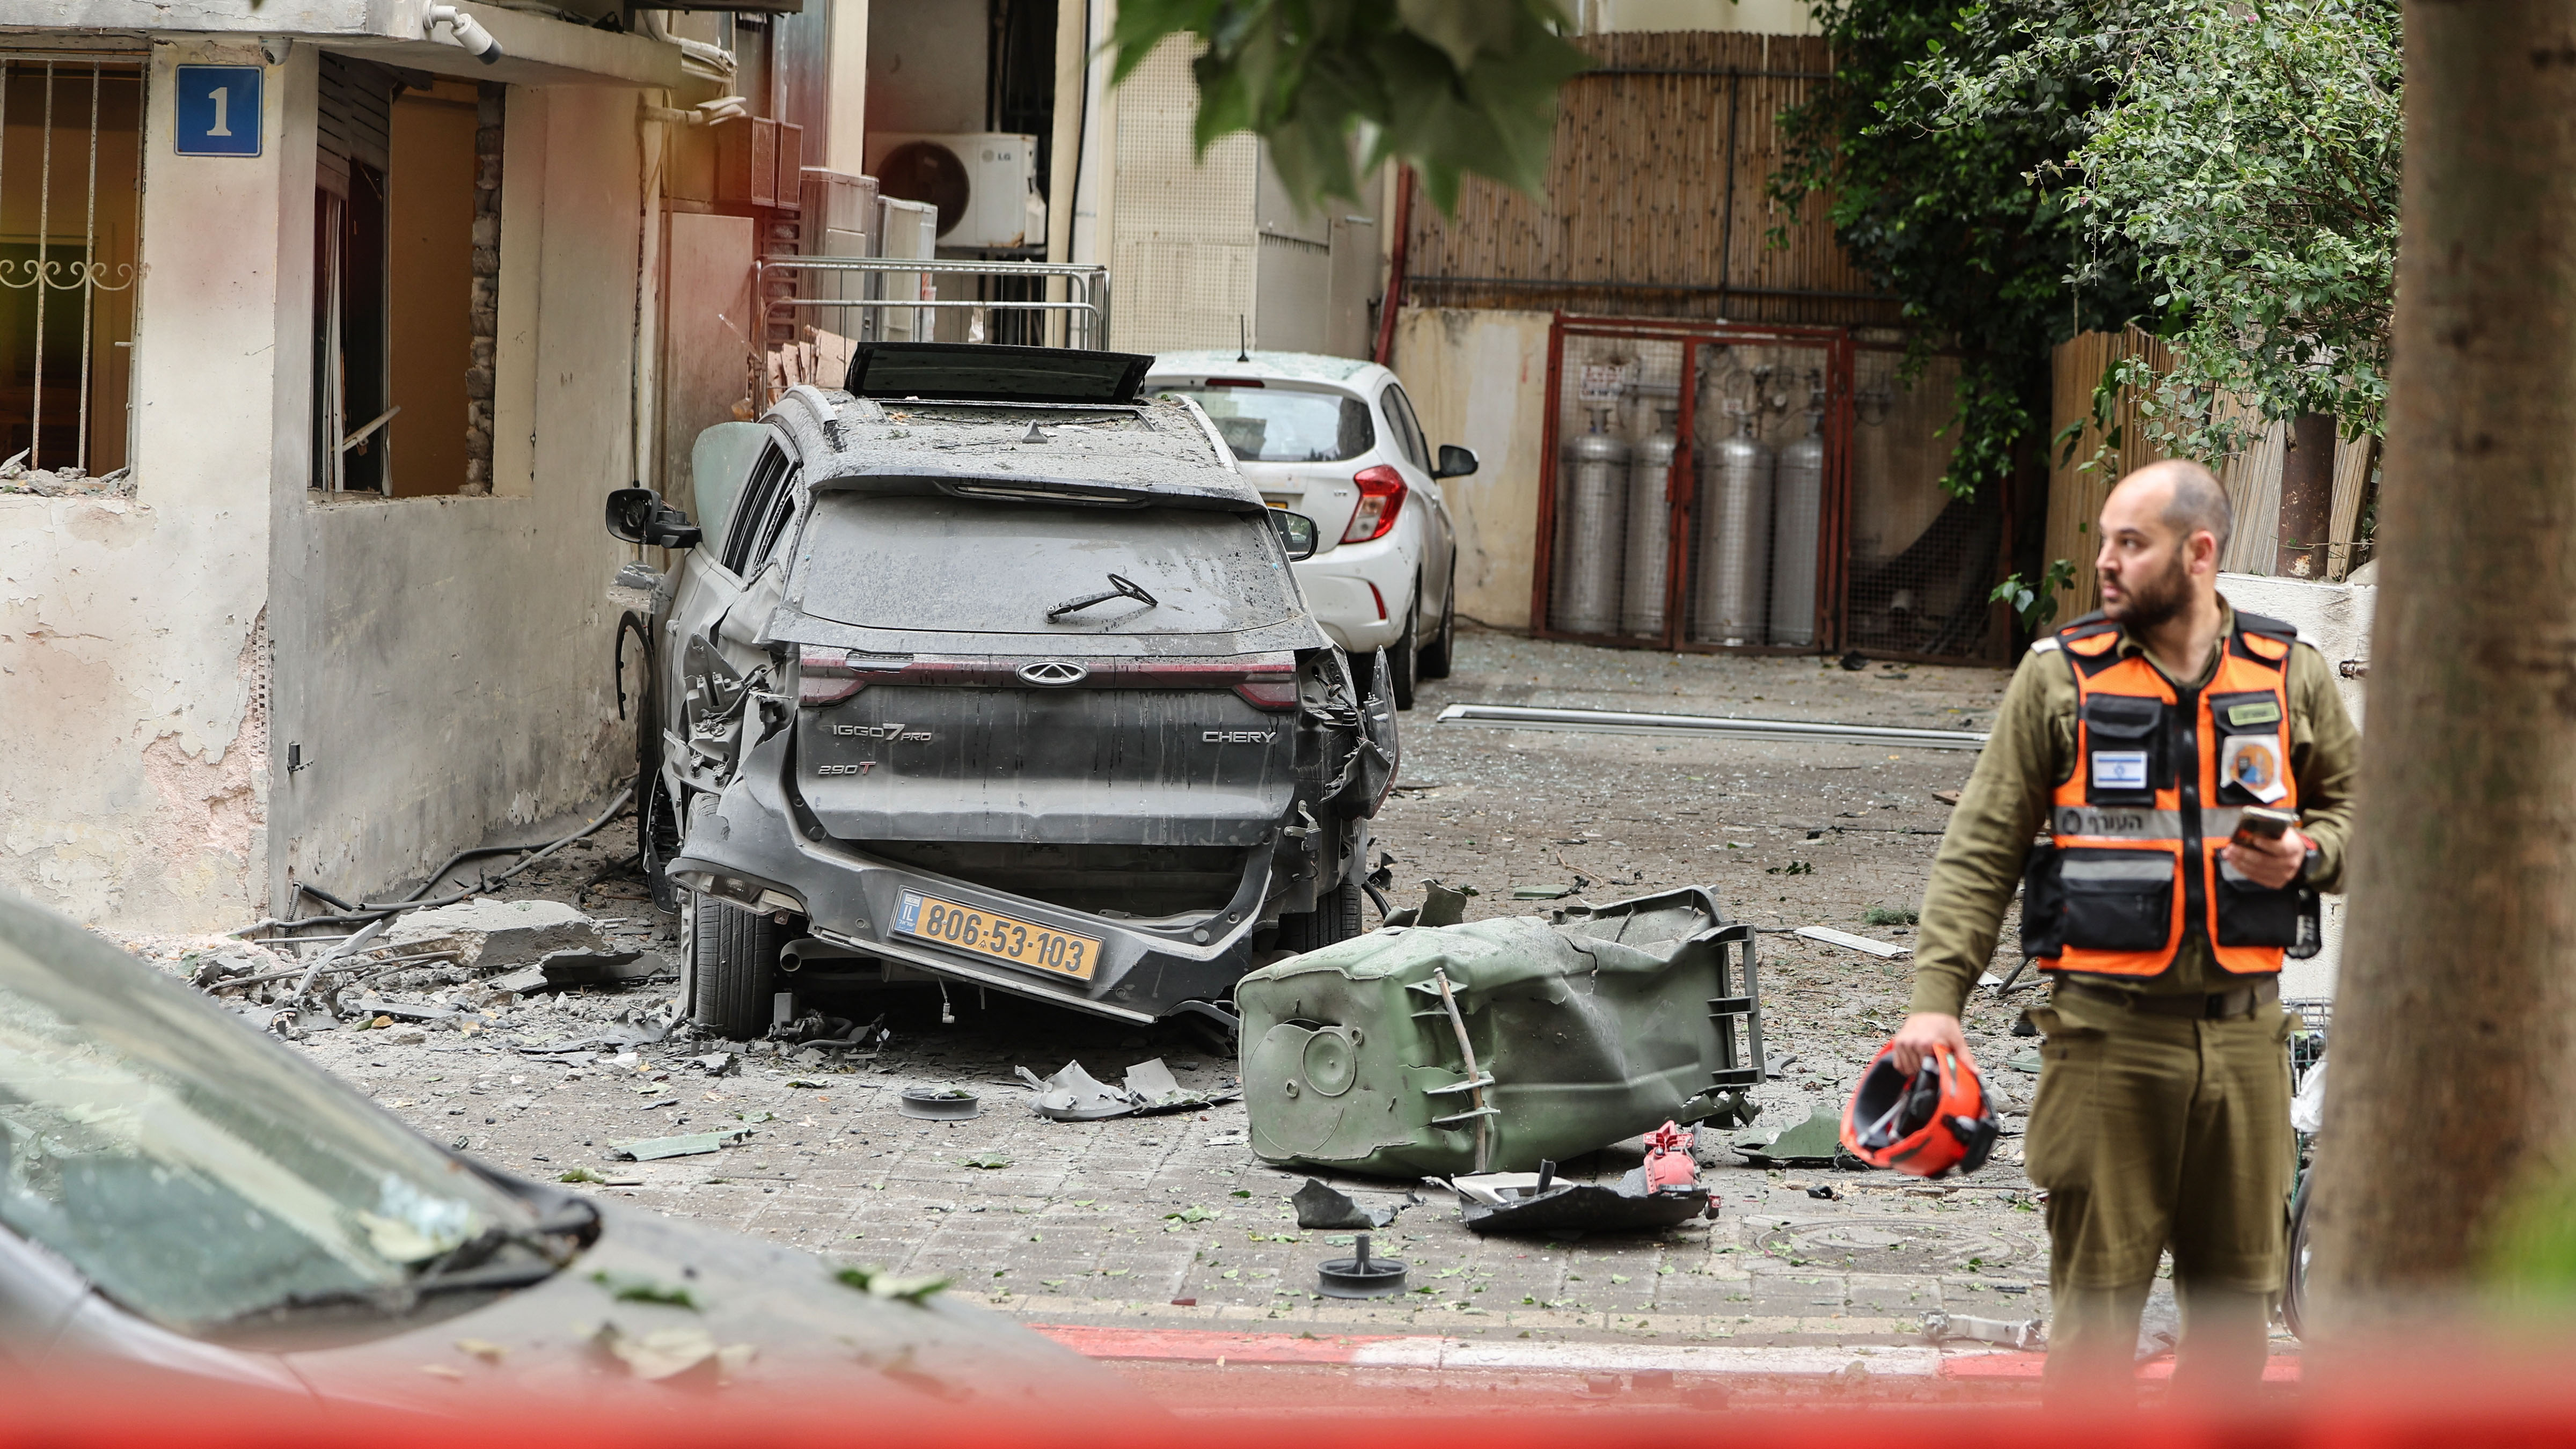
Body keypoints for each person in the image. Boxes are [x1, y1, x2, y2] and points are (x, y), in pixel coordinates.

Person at [1893, 459, 2359, 1403]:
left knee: (2235, 1328)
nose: (2103, 562)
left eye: (2128, 543)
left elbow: (2362, 817)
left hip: (2245, 1047)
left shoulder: (2289, 674)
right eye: (2104, 539)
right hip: (2105, 1043)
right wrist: (1936, 1005)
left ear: (2199, 553)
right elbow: (1980, 853)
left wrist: (2308, 852)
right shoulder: (2058, 681)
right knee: (2095, 1326)